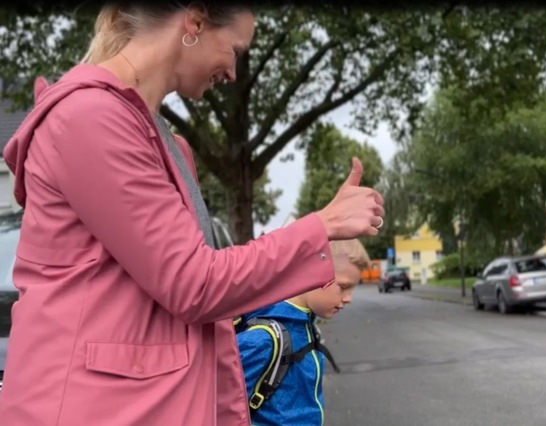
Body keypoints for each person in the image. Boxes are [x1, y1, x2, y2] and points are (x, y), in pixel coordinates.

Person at [0, 2, 385, 425]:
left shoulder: (165, 142)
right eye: (235, 50)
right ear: (195, 22)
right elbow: (195, 282)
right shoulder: (89, 118)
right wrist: (322, 226)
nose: (234, 73)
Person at [236, 238, 369, 426]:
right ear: (312, 273)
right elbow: (223, 410)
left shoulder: (304, 325)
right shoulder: (265, 339)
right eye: (343, 287)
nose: (349, 299)